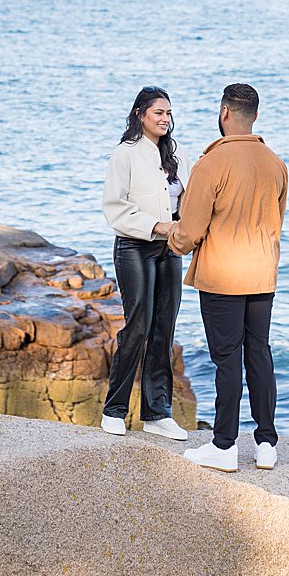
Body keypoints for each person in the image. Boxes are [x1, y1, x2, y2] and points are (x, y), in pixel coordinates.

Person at [168, 83, 288, 471]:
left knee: (226, 361)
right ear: (254, 115)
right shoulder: (275, 163)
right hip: (262, 274)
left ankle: (223, 446)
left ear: (224, 113)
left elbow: (189, 231)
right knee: (260, 355)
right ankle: (266, 444)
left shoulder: (211, 164)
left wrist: (171, 241)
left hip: (223, 277)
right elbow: (276, 222)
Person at [99, 85, 189, 441]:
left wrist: (187, 229)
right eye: (158, 113)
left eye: (168, 113)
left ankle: (157, 413)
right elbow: (115, 207)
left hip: (170, 250)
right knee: (138, 327)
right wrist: (158, 225)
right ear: (140, 114)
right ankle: (114, 410)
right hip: (135, 248)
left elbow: (189, 199)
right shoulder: (125, 154)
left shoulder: (177, 154)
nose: (165, 119)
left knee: (164, 329)